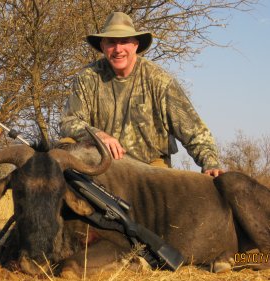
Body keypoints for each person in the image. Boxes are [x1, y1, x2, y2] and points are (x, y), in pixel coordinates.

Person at [60, 12, 224, 177]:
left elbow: (193, 130)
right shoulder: (87, 78)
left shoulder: (159, 80)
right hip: (103, 168)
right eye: (111, 42)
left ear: (135, 45)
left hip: (150, 168)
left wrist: (210, 163)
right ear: (102, 46)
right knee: (65, 146)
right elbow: (68, 121)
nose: (118, 49)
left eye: (124, 41)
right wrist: (98, 135)